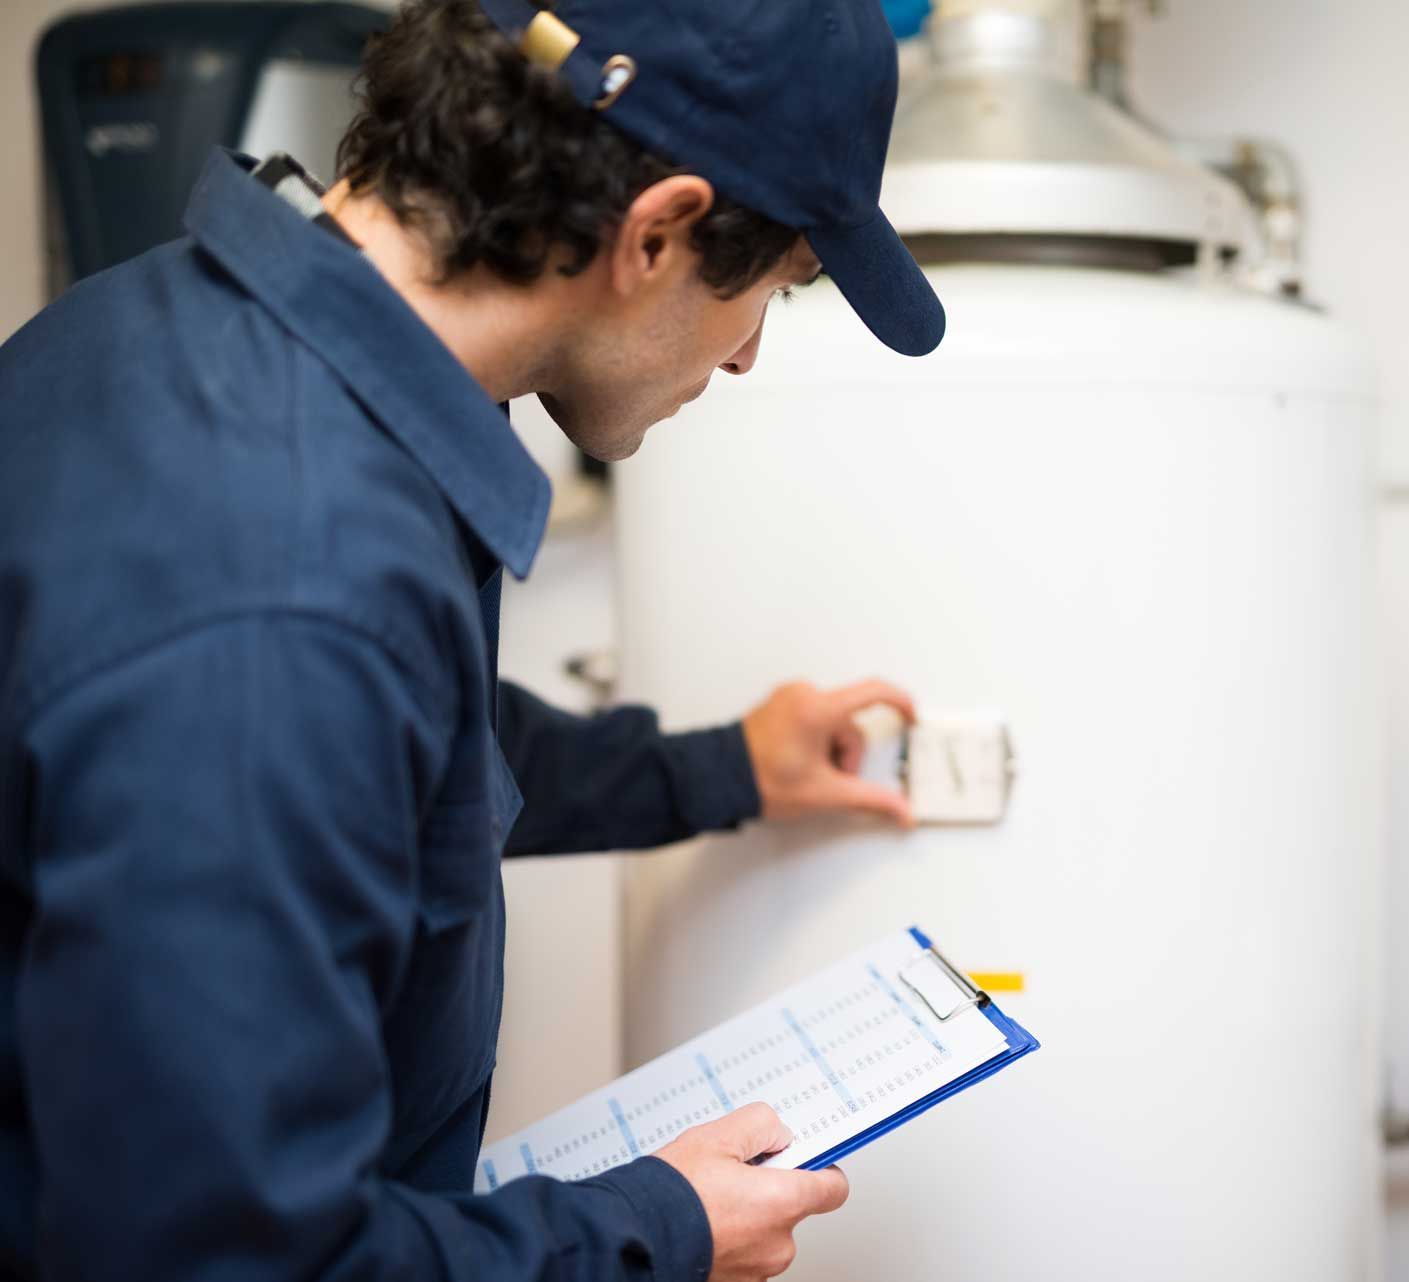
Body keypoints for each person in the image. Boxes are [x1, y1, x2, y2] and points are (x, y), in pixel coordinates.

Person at [0, 0, 945, 1277]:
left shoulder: (165, 338)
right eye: (771, 289)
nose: (747, 360)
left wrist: (722, 769)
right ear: (657, 234)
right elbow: (225, 1256)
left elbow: (390, 759)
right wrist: (656, 1229)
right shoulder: (283, 589)